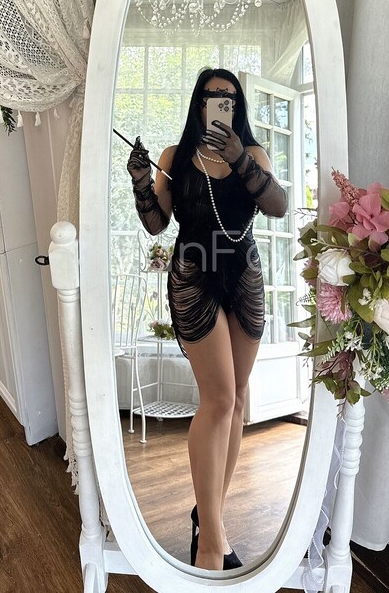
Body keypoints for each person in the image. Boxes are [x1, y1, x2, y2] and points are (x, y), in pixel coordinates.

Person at [127, 67, 287, 571]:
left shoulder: (253, 154)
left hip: (243, 275)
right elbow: (157, 223)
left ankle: (209, 517)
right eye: (213, 96)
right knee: (217, 400)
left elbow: (279, 206)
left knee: (237, 400)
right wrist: (141, 183)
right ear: (199, 103)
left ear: (238, 107)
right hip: (194, 274)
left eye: (230, 98)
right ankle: (212, 545)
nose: (222, 102)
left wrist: (240, 158)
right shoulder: (176, 157)